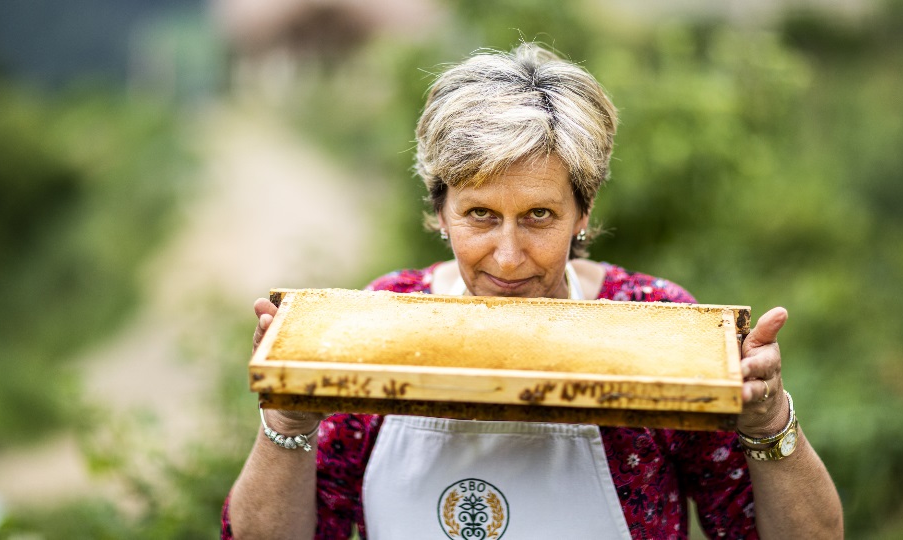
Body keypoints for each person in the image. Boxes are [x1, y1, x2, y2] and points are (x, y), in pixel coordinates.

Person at [222, 44, 843, 539]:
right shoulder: (382, 318)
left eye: (540, 216)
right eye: (481, 215)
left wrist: (769, 421)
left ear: (583, 212)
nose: (509, 255)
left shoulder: (656, 323)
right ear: (441, 211)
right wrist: (286, 418)